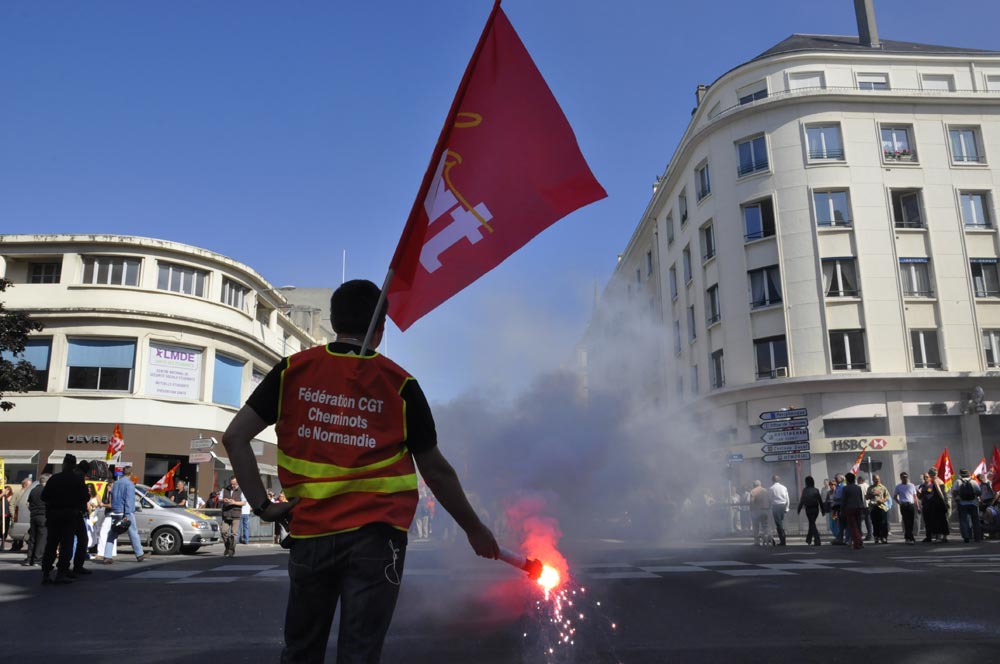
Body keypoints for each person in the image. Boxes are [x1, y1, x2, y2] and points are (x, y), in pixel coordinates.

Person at [222, 279, 498, 663]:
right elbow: (436, 472)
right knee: (360, 654)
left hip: (311, 535)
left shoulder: (292, 371)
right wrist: (475, 529)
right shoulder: (401, 385)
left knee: (301, 650)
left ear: (334, 320)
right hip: (376, 541)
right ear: (381, 328)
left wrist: (264, 506)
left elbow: (235, 437)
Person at [41, 454, 89, 585]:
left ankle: (46, 574)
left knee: (51, 545)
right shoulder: (77, 480)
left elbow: (44, 497)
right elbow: (85, 497)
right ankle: (61, 574)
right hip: (69, 516)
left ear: (63, 464)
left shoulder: (54, 479)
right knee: (66, 546)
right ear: (73, 465)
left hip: (54, 515)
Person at [100, 465, 146, 563]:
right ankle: (140, 554)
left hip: (116, 511)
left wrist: (115, 510)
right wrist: (128, 514)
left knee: (112, 533)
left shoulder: (116, 483)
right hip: (126, 512)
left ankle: (107, 556)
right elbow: (129, 500)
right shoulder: (129, 484)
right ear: (131, 474)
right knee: (133, 533)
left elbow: (113, 497)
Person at [22, 474, 49, 566]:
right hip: (43, 515)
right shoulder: (46, 490)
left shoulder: (33, 490)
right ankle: (38, 559)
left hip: (33, 516)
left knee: (33, 538)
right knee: (42, 538)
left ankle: (29, 559)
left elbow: (28, 503)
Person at [952, 469, 983, 543]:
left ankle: (966, 537)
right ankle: (977, 537)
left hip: (962, 504)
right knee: (975, 521)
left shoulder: (958, 481)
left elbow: (954, 492)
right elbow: (979, 492)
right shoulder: (973, 481)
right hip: (973, 504)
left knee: (964, 521)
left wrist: (957, 499)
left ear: (960, 474)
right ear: (969, 474)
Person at [92, 481, 117, 562]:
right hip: (114, 515)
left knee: (103, 533)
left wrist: (103, 504)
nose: (108, 488)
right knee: (112, 534)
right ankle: (112, 552)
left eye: (109, 486)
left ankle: (101, 553)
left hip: (110, 515)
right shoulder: (114, 493)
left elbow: (111, 505)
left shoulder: (112, 494)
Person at [797, 476, 825, 545]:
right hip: (816, 509)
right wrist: (823, 509)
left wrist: (799, 508)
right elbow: (820, 501)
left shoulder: (805, 490)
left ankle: (817, 540)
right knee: (812, 523)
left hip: (809, 509)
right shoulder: (816, 490)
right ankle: (808, 539)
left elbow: (802, 500)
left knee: (812, 524)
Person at [221, 476, 245, 556]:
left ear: (237, 483)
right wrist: (223, 500)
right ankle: (227, 547)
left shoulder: (241, 490)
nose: (232, 486)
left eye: (234, 484)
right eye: (231, 484)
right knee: (223, 531)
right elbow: (220, 498)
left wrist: (234, 502)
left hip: (236, 514)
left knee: (234, 533)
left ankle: (231, 550)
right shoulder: (225, 489)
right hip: (226, 513)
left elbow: (244, 502)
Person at [925, 467, 950, 543]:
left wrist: (943, 501)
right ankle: (944, 536)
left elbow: (939, 492)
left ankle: (938, 537)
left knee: (937, 519)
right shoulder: (940, 480)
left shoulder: (935, 481)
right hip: (942, 500)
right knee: (943, 519)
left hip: (938, 502)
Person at [841, 472, 865, 550]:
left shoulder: (845, 488)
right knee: (858, 526)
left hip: (850, 509)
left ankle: (857, 543)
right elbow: (861, 498)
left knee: (853, 527)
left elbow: (843, 501)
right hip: (859, 508)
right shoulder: (858, 488)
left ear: (847, 480)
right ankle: (860, 541)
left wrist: (842, 510)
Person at [893, 471, 918, 544]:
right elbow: (895, 497)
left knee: (912, 521)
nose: (905, 478)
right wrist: (899, 503)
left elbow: (915, 496)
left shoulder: (912, 485)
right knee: (906, 522)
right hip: (904, 505)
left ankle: (908, 536)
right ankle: (910, 538)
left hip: (911, 505)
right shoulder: (898, 486)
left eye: (906, 477)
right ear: (901, 478)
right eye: (904, 477)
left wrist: (917, 505)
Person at [867, 474, 890, 543]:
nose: (877, 480)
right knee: (875, 523)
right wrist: (873, 494)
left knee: (883, 523)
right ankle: (876, 537)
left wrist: (882, 501)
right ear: (873, 480)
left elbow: (887, 497)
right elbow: (867, 497)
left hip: (882, 507)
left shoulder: (883, 487)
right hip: (873, 507)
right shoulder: (870, 488)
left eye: (878, 479)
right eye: (875, 479)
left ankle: (884, 537)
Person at [748, 480, 771, 546]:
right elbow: (770, 500)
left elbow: (752, 503)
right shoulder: (765, 490)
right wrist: (768, 508)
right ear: (760, 484)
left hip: (756, 511)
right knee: (765, 526)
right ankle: (767, 540)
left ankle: (757, 542)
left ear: (754, 485)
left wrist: (751, 511)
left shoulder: (753, 491)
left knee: (756, 527)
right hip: (765, 510)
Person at [768, 475, 789, 546]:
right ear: (779, 480)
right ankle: (783, 539)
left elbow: (770, 499)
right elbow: (787, 499)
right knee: (781, 523)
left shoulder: (771, 488)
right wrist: (787, 508)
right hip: (783, 506)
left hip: (776, 506)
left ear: (772, 480)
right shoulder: (784, 487)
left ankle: (782, 540)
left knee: (779, 524)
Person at [856, 474, 873, 541]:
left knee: (858, 521)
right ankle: (870, 534)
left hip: (860, 506)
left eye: (858, 480)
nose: (857, 481)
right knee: (868, 521)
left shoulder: (858, 487)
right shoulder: (868, 486)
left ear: (861, 480)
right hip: (868, 506)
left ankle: (860, 534)